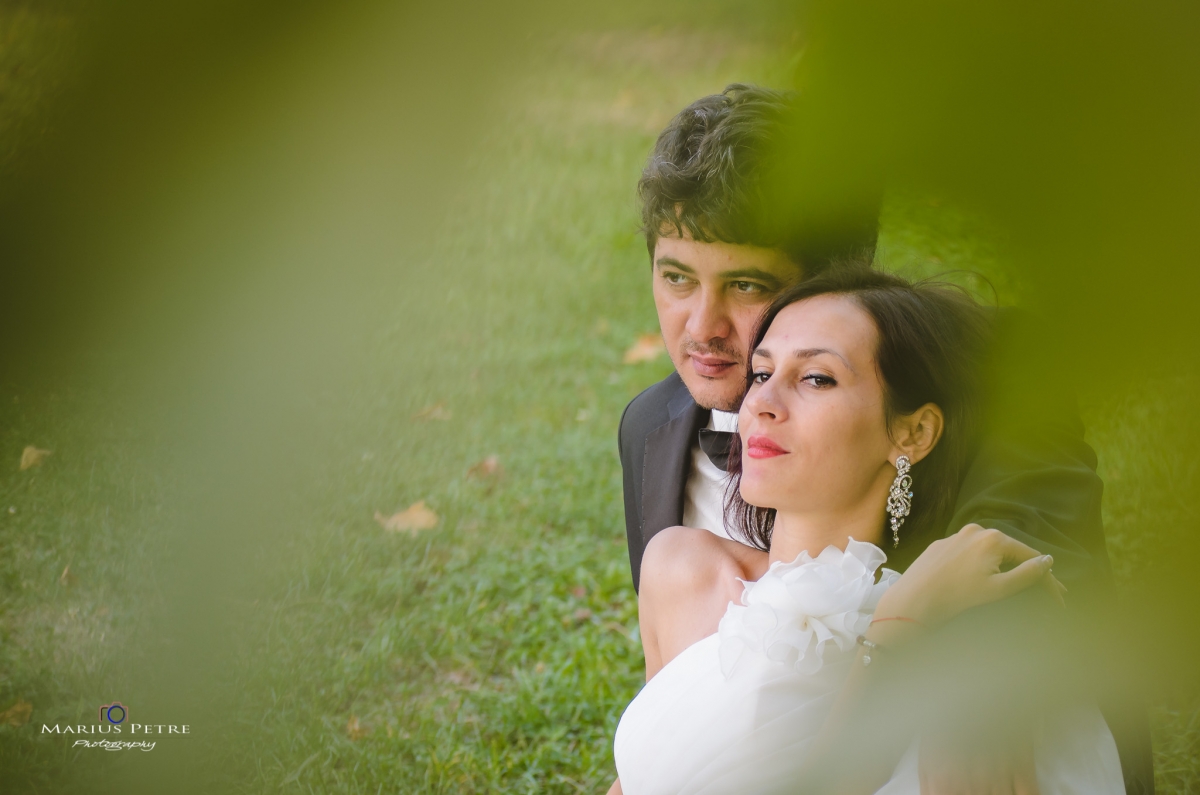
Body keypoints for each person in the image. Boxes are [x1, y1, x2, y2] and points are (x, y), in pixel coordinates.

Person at [618, 85, 1153, 792]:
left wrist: (915, 629)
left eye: (747, 286)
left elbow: (1017, 572)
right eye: (677, 278)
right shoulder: (653, 429)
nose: (702, 326)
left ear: (834, 283)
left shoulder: (986, 390)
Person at [610, 266, 1125, 794]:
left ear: (912, 432)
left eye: (817, 378)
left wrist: (898, 631)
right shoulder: (680, 568)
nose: (762, 403)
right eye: (761, 374)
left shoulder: (957, 651)